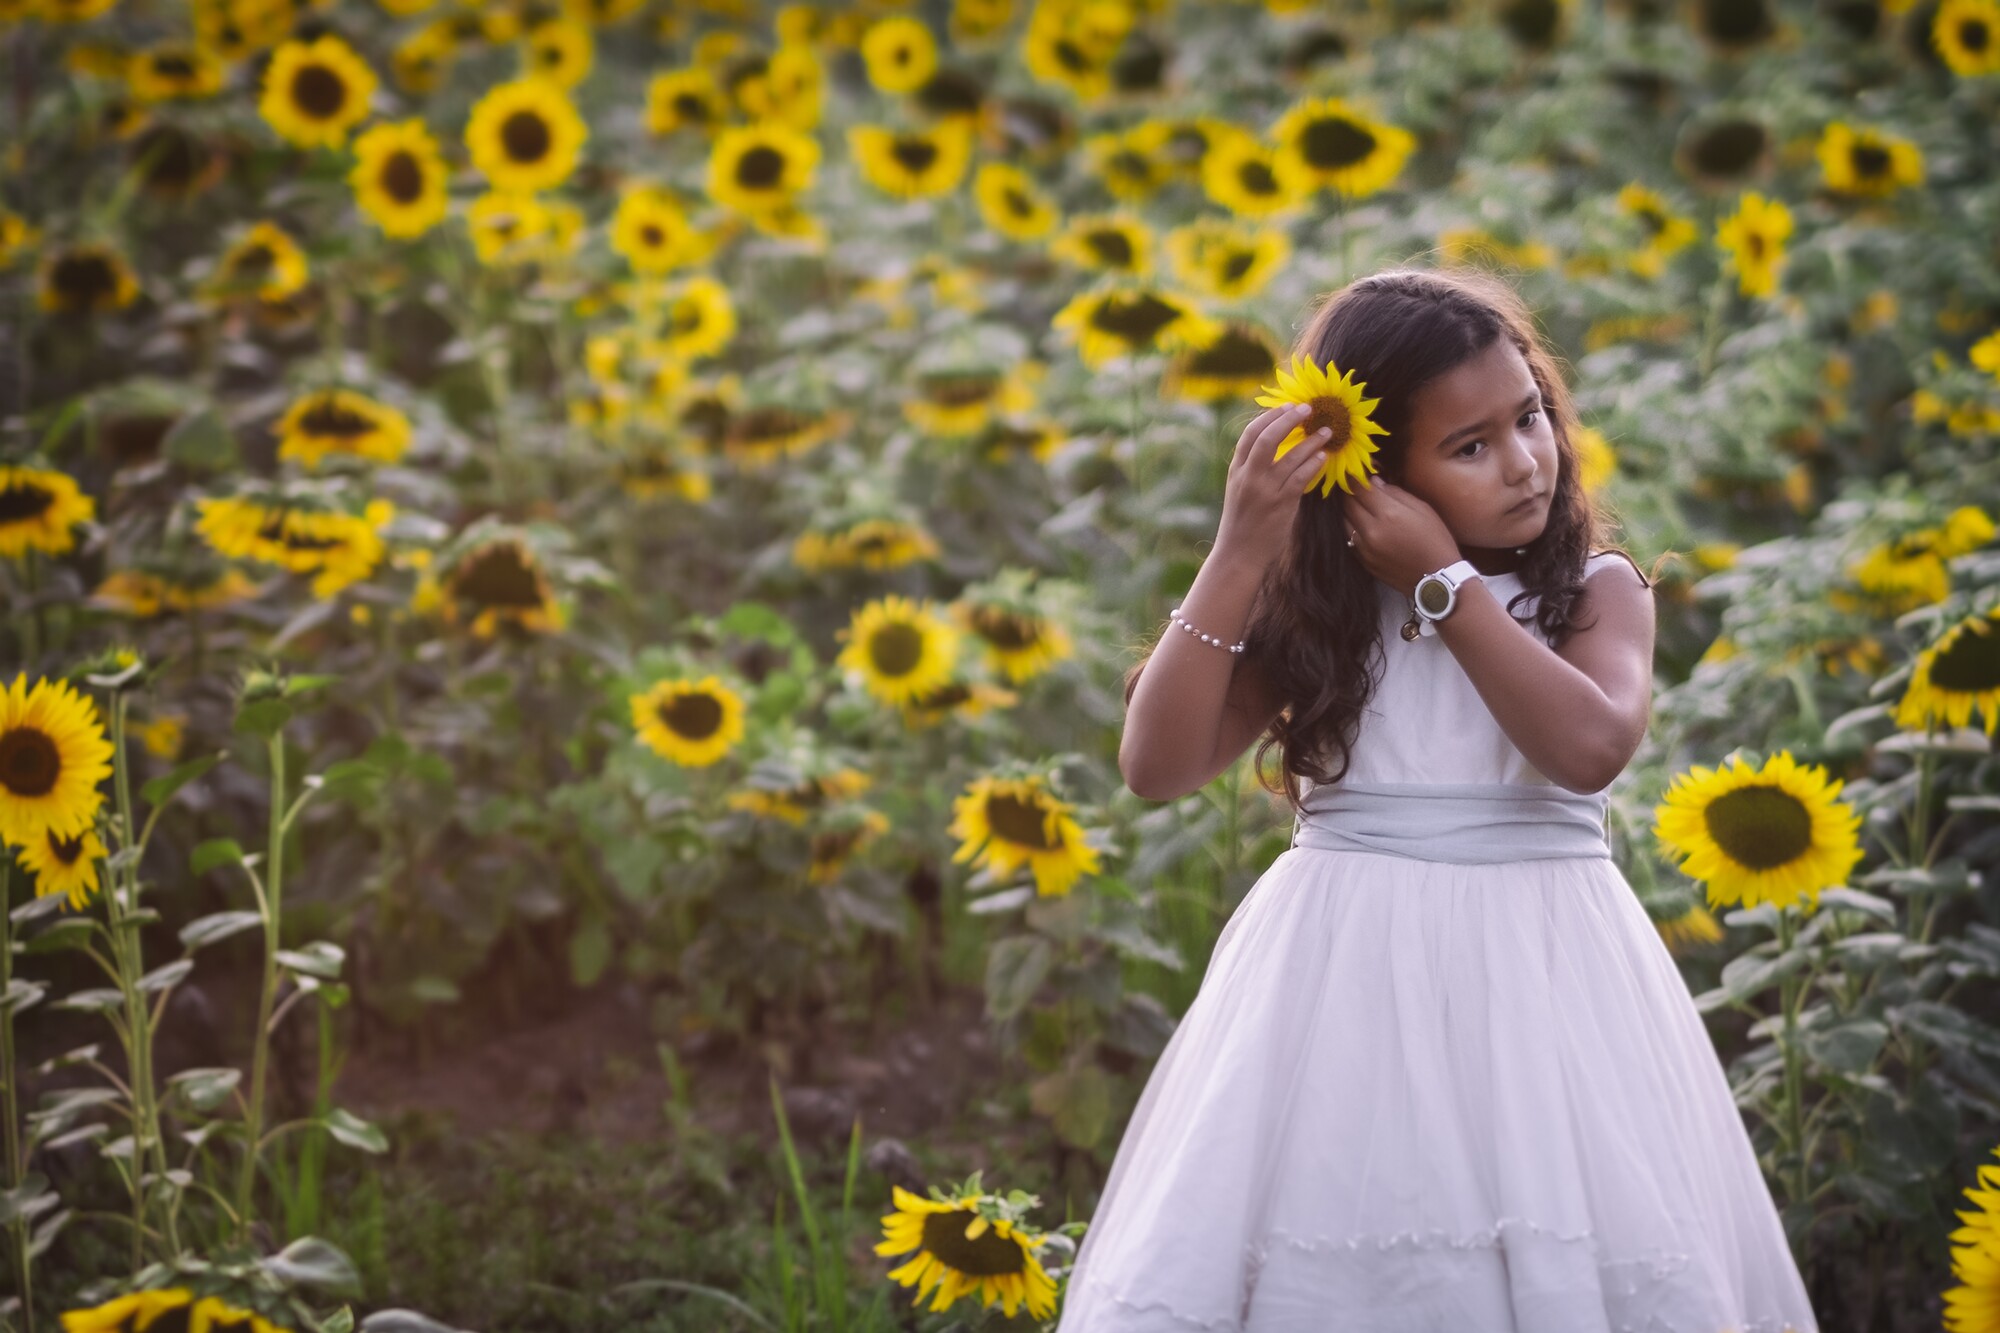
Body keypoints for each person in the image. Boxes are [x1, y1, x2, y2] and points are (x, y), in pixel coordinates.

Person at [1053, 267, 1819, 1332]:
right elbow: (1155, 765)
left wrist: (1443, 582)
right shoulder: (1324, 614)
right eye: (1469, 446)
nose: (1523, 462)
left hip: (1549, 980)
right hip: (1338, 983)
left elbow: (1585, 747)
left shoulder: (1595, 591)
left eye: (1530, 417)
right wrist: (1238, 550)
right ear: (1377, 478)